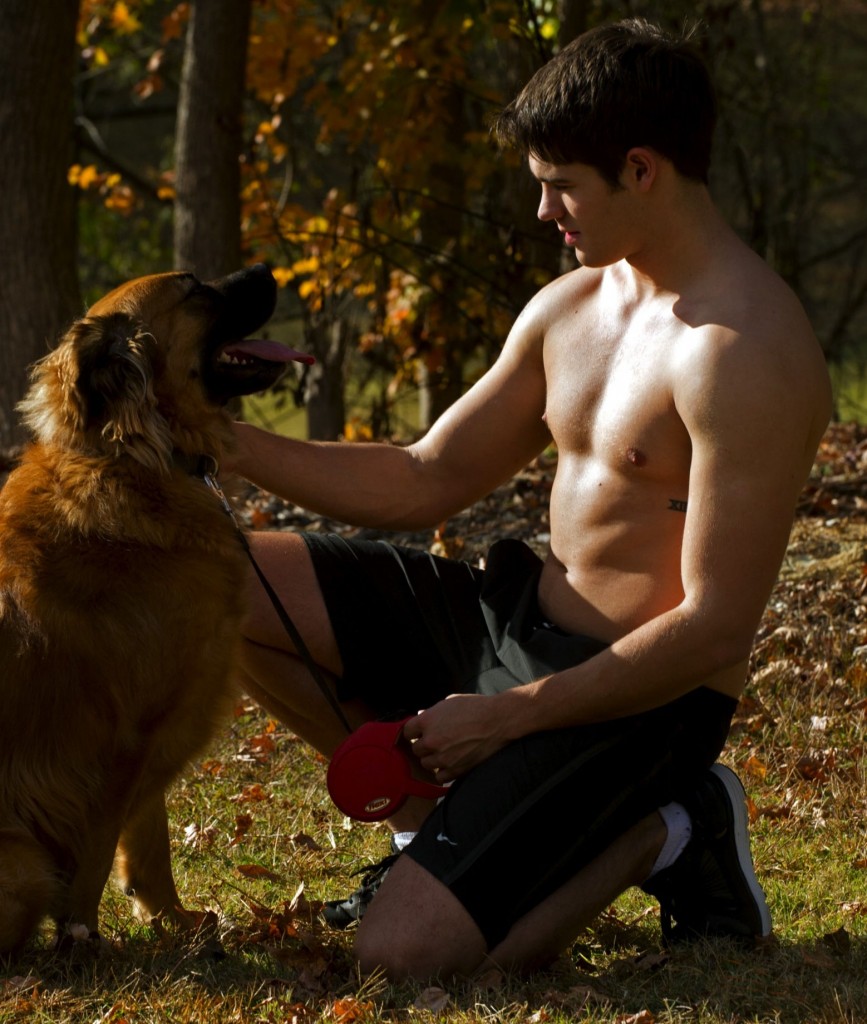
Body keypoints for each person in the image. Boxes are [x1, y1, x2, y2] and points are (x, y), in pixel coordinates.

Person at [228, 18, 832, 981]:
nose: (543, 208)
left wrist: (506, 720)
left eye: (560, 184)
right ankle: (439, 839)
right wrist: (230, 445)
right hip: (509, 629)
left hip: (636, 699)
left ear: (641, 169)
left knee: (401, 959)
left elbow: (714, 629)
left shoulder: (743, 351)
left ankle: (674, 830)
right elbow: (427, 474)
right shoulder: (571, 307)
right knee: (222, 582)